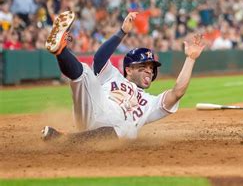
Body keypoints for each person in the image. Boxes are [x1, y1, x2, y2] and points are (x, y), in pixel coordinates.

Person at [41, 10, 206, 142]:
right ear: (128, 70)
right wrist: (122, 32)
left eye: (151, 67)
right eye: (143, 66)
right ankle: (60, 49)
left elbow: (177, 92)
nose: (149, 70)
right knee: (85, 72)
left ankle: (65, 139)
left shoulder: (151, 103)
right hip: (95, 109)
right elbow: (99, 58)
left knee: (128, 128)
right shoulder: (112, 75)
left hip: (115, 130)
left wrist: (190, 59)